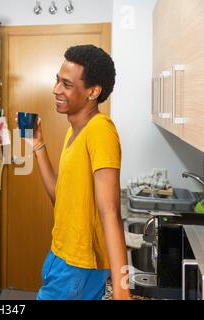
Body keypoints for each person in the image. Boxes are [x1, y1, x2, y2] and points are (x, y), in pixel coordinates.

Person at [18, 44, 130, 300]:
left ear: (93, 91)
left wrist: (122, 292)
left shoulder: (100, 130)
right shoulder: (75, 130)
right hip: (61, 255)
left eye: (66, 84)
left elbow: (110, 211)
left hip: (80, 266)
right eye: (57, 80)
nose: (56, 89)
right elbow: (61, 199)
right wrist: (38, 145)